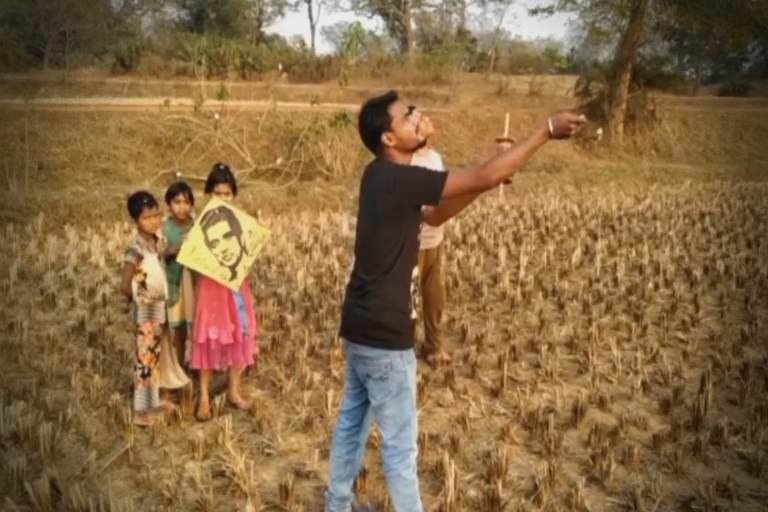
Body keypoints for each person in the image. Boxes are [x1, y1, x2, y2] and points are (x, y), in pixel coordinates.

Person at [325, 91, 585, 511]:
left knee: (352, 423)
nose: (416, 115)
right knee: (400, 449)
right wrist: (545, 132)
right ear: (389, 138)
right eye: (407, 115)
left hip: (359, 327)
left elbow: (436, 215)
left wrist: (488, 180)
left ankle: (336, 504)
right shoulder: (400, 178)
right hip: (387, 337)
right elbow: (479, 174)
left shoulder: (379, 176)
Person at [190, 163, 258, 422]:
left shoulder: (241, 222)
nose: (223, 198)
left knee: (239, 334)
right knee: (207, 338)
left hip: (236, 286)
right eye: (217, 193)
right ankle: (204, 397)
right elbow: (192, 257)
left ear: (234, 195)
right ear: (209, 194)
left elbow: (247, 253)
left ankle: (233, 391)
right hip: (210, 288)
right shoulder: (201, 224)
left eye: (227, 193)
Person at [120, 191, 190, 427]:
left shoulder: (156, 241)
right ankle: (142, 412)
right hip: (146, 309)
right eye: (147, 218)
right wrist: (141, 299)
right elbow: (125, 283)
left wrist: (182, 246)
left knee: (157, 354)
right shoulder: (135, 248)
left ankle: (155, 398)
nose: (153, 221)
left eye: (156, 215)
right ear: (136, 221)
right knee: (146, 358)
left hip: (160, 305)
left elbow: (164, 257)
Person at [410, 118, 450, 367]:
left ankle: (434, 345)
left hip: (436, 238)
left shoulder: (434, 157)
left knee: (435, 296)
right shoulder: (408, 160)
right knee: (410, 300)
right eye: (419, 120)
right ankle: (405, 347)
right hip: (415, 241)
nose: (427, 120)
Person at [163, 181, 196, 367]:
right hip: (173, 283)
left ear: (191, 204)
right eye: (177, 202)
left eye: (186, 202)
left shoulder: (197, 227)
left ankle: (192, 365)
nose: (182, 207)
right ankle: (175, 366)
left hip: (192, 282)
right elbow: (159, 255)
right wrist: (174, 250)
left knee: (192, 326)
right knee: (175, 327)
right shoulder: (163, 229)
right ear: (169, 204)